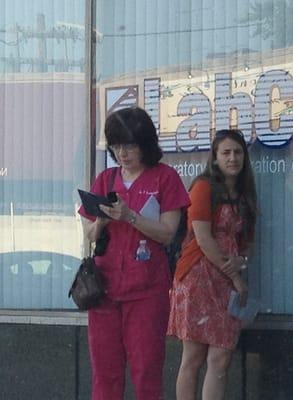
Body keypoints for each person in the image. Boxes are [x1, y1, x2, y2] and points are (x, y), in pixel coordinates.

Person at [78, 107, 190, 400]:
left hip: (147, 291)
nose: (122, 153)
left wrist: (130, 216)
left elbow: (167, 232)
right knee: (105, 374)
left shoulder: (165, 178)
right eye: (116, 146)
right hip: (104, 288)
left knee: (146, 372)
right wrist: (102, 220)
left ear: (145, 143)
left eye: (129, 145)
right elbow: (88, 235)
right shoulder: (106, 179)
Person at [167, 129, 257, 400]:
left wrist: (242, 261)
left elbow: (247, 243)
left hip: (225, 279)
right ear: (215, 158)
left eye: (238, 152)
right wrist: (237, 277)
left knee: (221, 357)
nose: (233, 158)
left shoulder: (245, 194)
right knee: (193, 357)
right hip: (198, 276)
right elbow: (203, 239)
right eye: (226, 153)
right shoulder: (203, 186)